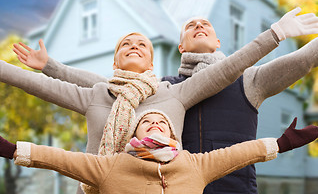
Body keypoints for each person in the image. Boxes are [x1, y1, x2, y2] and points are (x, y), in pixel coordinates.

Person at [12, 8, 318, 193]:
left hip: (232, 189)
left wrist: (278, 33)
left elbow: (296, 60)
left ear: (219, 42)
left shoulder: (245, 80)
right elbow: (98, 87)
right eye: (190, 26)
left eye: (206, 25)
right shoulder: (163, 89)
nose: (199, 26)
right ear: (181, 47)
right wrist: (51, 67)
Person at [1, 109, 318, 194]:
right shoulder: (110, 167)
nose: (154, 124)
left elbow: (240, 153)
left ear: (172, 134)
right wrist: (9, 149)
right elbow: (57, 158)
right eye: (146, 122)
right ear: (134, 134)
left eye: (160, 122)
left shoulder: (194, 163)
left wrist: (283, 142)